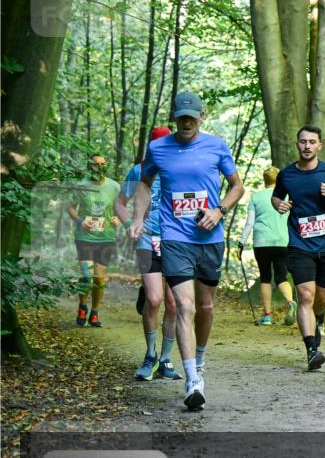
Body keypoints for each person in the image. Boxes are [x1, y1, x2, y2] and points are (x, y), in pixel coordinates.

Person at [128, 92, 244, 410]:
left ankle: (200, 358)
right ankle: (193, 379)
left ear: (201, 116)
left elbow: (238, 186)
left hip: (210, 238)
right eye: (182, 117)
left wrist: (218, 211)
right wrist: (138, 217)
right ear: (174, 117)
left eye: (192, 117)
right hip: (174, 237)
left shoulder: (216, 146)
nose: (187, 122)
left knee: (206, 307)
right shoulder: (158, 148)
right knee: (183, 306)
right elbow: (144, 184)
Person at [271, 125, 325, 370]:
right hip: (299, 244)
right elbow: (277, 195)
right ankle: (311, 350)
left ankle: (318, 320)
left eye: (312, 142)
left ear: (320, 146)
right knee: (305, 295)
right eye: (303, 142)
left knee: (322, 297)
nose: (307, 146)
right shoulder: (286, 174)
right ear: (297, 144)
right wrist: (278, 205)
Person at [115, 126, 180, 381]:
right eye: (157, 146)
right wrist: (130, 224)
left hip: (176, 242)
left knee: (173, 304)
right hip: (147, 239)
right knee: (155, 300)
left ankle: (166, 359)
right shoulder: (138, 170)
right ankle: (150, 355)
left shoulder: (180, 170)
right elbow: (119, 203)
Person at [67, 154, 121, 328]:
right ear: (89, 166)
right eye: (96, 164)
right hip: (84, 237)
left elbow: (121, 208)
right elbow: (70, 207)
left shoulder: (114, 186)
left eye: (103, 164)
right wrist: (80, 220)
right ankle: (82, 306)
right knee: (86, 274)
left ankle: (95, 312)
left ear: (107, 166)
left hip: (106, 237)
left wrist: (118, 218)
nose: (100, 167)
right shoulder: (81, 185)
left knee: (99, 278)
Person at [238, 166, 296, 326]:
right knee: (281, 276)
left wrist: (241, 242)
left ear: (264, 180)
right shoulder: (287, 197)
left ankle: (267, 316)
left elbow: (250, 222)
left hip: (262, 242)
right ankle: (291, 302)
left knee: (265, 277)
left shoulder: (256, 197)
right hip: (283, 241)